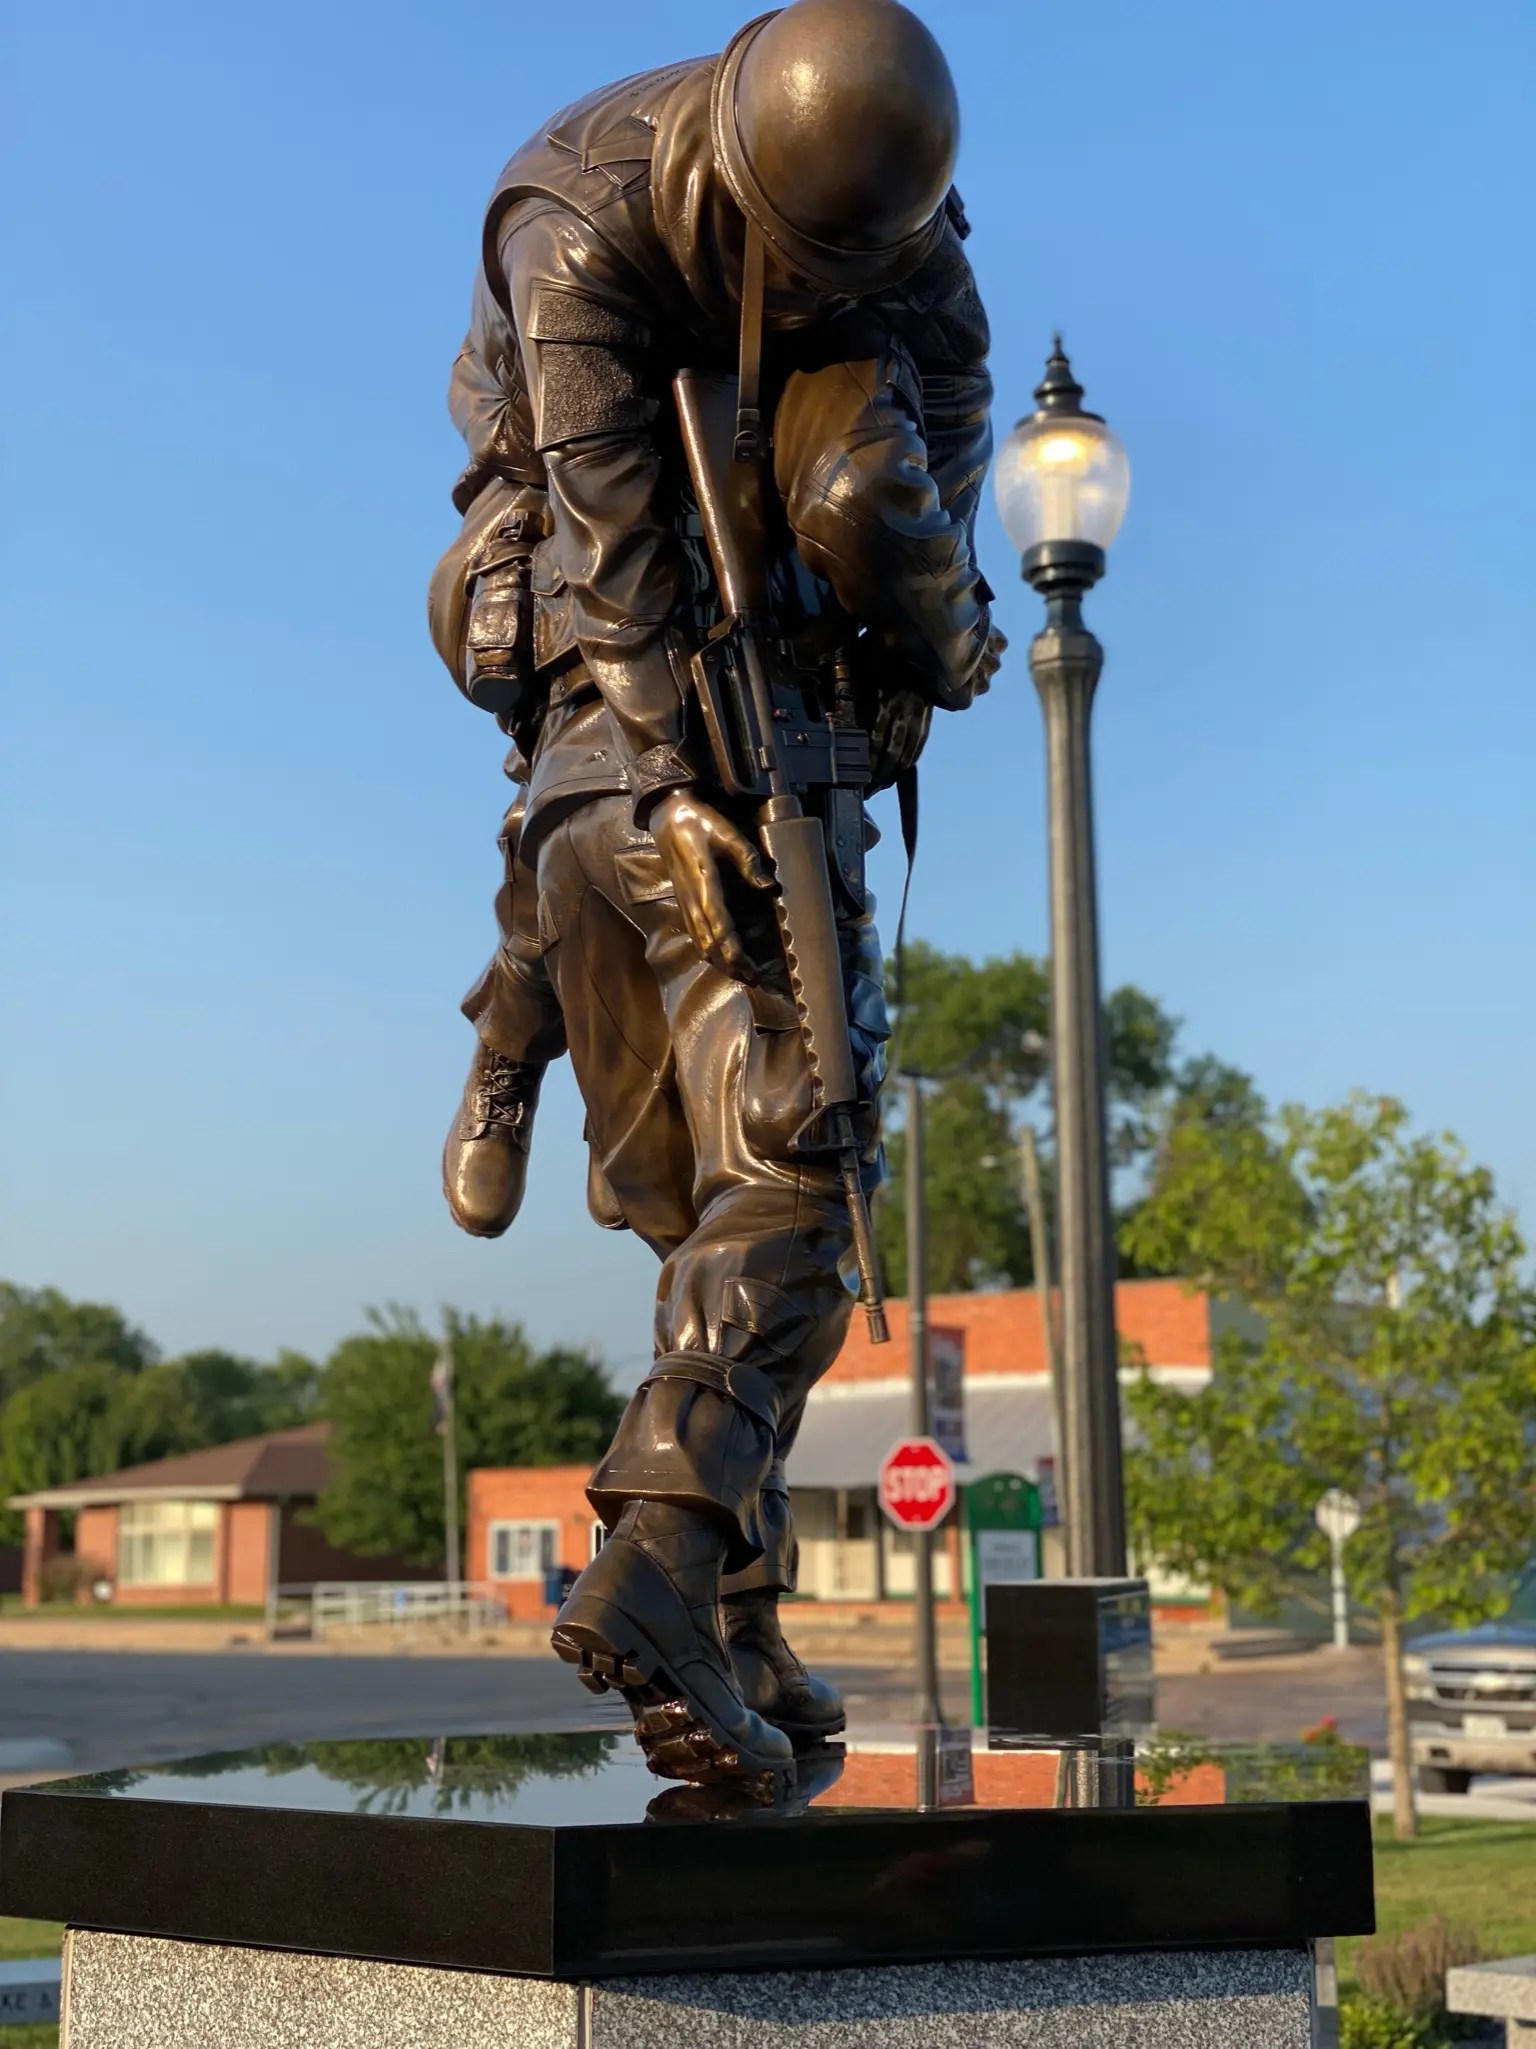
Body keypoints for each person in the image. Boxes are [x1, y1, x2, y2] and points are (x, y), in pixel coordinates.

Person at [429, 0, 1000, 1781]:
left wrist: (933, 622)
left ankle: (744, 1625)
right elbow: (608, 545)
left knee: (713, 1229)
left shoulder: (909, 221)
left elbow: (953, 444)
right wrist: (699, 783)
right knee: (805, 1180)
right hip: (652, 757)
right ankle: (670, 1560)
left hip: (625, 790)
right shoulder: (578, 214)